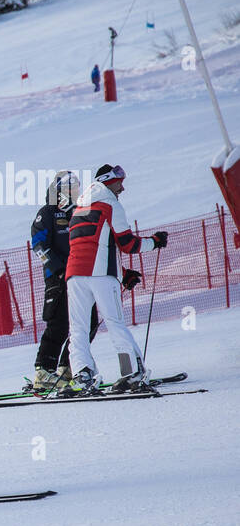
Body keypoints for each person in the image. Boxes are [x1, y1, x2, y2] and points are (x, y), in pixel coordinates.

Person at [62, 164, 167, 394]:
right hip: (100, 276)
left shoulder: (78, 207)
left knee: (78, 328)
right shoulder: (111, 204)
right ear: (109, 181)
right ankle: (132, 374)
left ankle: (83, 376)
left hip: (74, 275)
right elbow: (128, 244)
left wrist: (122, 273)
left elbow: (92, 245)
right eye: (120, 181)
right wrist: (155, 242)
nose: (123, 187)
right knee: (114, 322)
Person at [29, 170, 98, 391]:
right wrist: (58, 270)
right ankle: (43, 371)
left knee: (89, 323)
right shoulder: (48, 212)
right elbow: (38, 246)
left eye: (76, 187)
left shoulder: (81, 212)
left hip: (83, 277)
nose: (74, 192)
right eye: (69, 188)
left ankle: (67, 368)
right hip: (59, 278)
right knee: (59, 323)